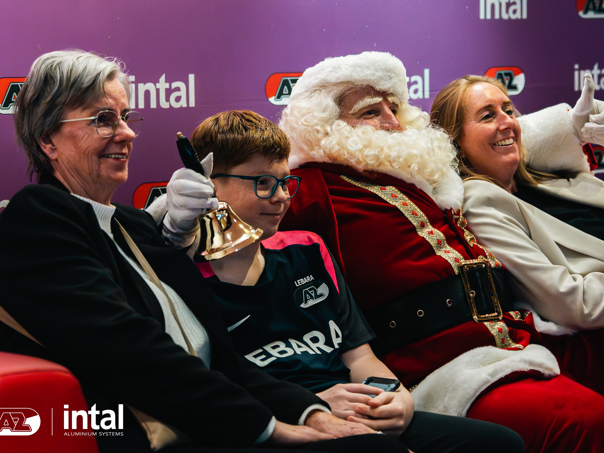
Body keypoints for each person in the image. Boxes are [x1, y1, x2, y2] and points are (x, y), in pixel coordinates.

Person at [0, 49, 406, 453]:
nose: (126, 133)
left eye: (124, 117)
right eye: (102, 119)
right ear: (47, 140)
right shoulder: (38, 216)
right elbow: (129, 350)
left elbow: (221, 356)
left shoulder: (132, 223)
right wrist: (270, 427)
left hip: (210, 417)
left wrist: (309, 412)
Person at [276, 51, 604, 453]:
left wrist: (570, 125)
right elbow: (249, 210)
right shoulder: (312, 186)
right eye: (370, 112)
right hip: (442, 371)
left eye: (393, 108)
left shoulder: (418, 166)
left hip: (518, 341)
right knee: (587, 422)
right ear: (324, 127)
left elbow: (498, 139)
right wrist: (188, 211)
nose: (392, 122)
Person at [171, 109, 525, 453]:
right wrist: (312, 404)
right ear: (208, 183)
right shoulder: (180, 273)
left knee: (500, 443)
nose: (280, 197)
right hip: (276, 418)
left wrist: (397, 398)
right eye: (262, 183)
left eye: (285, 182)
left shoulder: (308, 248)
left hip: (352, 406)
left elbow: (359, 357)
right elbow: (209, 387)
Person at [430, 74, 604, 395]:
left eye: (508, 110)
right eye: (488, 115)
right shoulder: (481, 201)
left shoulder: (545, 176)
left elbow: (546, 135)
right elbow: (574, 303)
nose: (507, 122)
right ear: (455, 142)